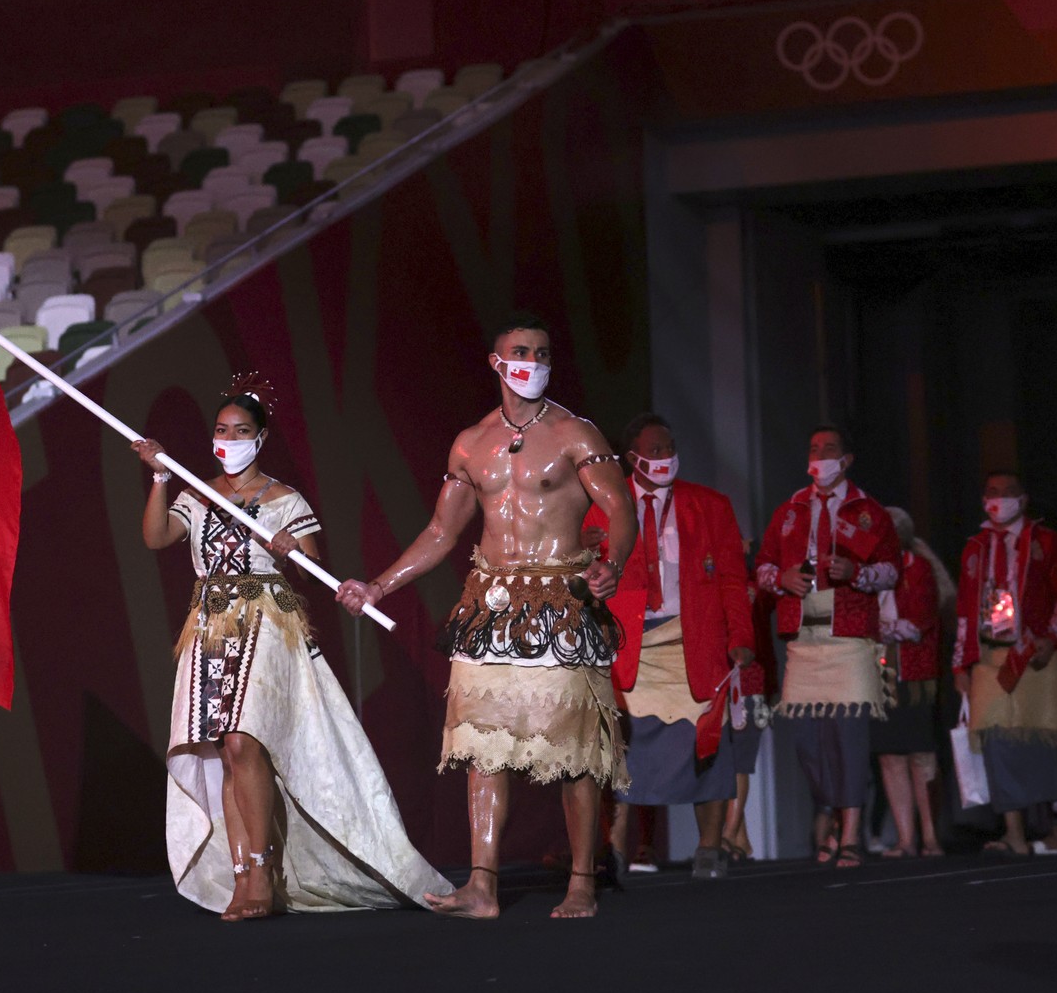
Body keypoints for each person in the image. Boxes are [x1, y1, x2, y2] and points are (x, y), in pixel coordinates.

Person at [336, 312, 635, 919]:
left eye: (544, 352)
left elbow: (620, 508)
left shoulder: (578, 435)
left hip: (562, 599)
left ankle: (581, 882)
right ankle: (481, 888)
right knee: (481, 746)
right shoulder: (471, 443)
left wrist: (615, 562)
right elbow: (441, 532)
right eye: (521, 351)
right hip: (490, 604)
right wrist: (378, 585)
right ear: (496, 363)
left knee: (574, 748)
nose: (535, 361)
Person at [133, 373, 450, 919]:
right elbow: (156, 538)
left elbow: (313, 567)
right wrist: (161, 479)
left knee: (243, 742)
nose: (228, 440)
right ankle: (243, 877)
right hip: (209, 627)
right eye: (221, 430)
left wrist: (286, 552)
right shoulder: (196, 490)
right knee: (223, 749)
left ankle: (261, 872)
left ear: (260, 439)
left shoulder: (285, 498)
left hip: (266, 624)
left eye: (240, 431)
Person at [581, 414, 755, 880]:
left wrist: (740, 639)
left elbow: (735, 582)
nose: (665, 458)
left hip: (693, 642)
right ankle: (612, 854)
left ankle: (710, 850)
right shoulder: (602, 508)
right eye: (655, 450)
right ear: (630, 457)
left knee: (708, 743)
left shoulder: (711, 506)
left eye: (669, 448)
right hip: (628, 647)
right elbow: (579, 574)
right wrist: (585, 552)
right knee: (619, 753)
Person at [756, 425, 899, 870]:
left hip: (850, 638)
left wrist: (855, 572)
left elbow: (891, 571)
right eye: (814, 449)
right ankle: (835, 814)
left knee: (849, 741)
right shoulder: (790, 510)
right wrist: (780, 579)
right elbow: (762, 564)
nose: (819, 456)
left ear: (847, 459)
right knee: (809, 745)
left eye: (829, 450)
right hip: (804, 637)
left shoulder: (869, 512)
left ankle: (850, 834)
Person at [952, 471, 1057, 857]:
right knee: (997, 742)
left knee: (1051, 737)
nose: (999, 500)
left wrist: (1053, 637)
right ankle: (1014, 833)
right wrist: (959, 664)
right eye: (991, 493)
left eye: (1007, 493)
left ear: (1024, 500)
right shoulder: (975, 548)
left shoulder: (1046, 542)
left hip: (1036, 652)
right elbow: (965, 610)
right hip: (990, 656)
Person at [872, 506, 955, 858]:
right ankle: (905, 839)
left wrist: (887, 629)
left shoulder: (917, 567)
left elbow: (921, 615)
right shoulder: (870, 575)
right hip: (881, 673)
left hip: (915, 671)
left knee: (921, 754)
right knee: (890, 756)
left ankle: (930, 836)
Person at [722, 568, 777, 863]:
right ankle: (741, 840)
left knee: (740, 763)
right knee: (725, 763)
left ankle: (730, 833)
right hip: (721, 679)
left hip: (748, 679)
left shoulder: (753, 589)